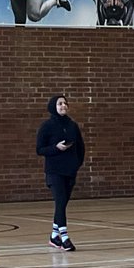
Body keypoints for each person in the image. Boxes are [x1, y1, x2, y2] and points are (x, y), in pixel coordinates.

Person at [36, 94, 86, 251]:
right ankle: (64, 237)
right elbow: (40, 149)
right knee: (60, 201)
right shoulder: (47, 126)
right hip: (54, 171)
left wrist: (77, 164)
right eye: (60, 103)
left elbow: (80, 146)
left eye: (65, 103)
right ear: (53, 107)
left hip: (69, 171)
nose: (63, 106)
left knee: (62, 204)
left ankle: (54, 236)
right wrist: (55, 148)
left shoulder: (72, 125)